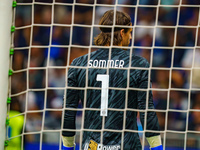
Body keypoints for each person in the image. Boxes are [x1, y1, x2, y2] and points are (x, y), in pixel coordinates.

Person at [62, 10, 163, 150]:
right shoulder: (137, 65)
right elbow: (147, 110)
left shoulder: (79, 64)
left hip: (91, 146)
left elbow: (69, 110)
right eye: (130, 32)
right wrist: (156, 147)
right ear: (122, 33)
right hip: (127, 145)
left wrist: (68, 147)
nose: (131, 37)